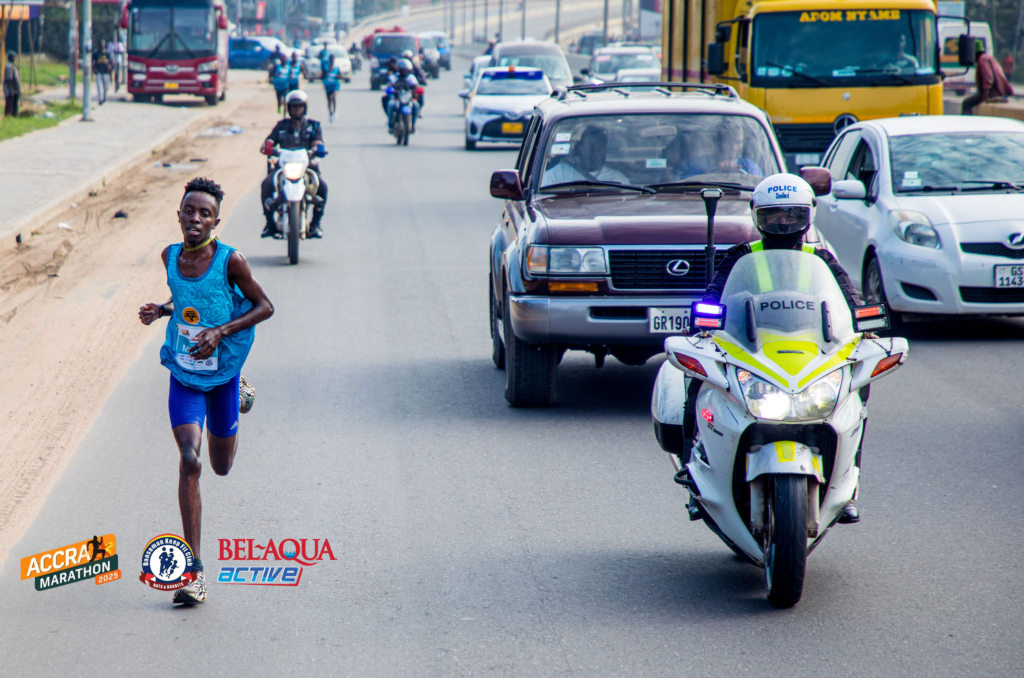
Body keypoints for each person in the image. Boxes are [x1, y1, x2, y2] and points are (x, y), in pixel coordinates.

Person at [693, 173, 863, 524]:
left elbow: (850, 298)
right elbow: (715, 293)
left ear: (808, 215)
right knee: (698, 375)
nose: (783, 223)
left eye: (792, 215)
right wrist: (703, 321)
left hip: (811, 348)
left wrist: (863, 323)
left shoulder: (821, 258)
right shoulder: (742, 254)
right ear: (757, 217)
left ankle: (848, 481)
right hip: (751, 347)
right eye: (773, 215)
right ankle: (694, 464)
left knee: (854, 392)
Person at [138, 177, 275, 604]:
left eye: (205, 213)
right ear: (178, 215)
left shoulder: (232, 261)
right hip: (184, 372)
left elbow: (265, 307)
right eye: (189, 211)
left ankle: (238, 391)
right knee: (189, 460)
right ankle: (194, 573)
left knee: (221, 466)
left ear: (216, 221)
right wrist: (162, 310)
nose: (195, 218)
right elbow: (186, 300)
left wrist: (220, 332)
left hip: (223, 373)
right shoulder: (170, 256)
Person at [260, 90, 329, 239]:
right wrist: (267, 147)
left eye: (300, 106)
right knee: (266, 185)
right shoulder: (281, 126)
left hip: (307, 166)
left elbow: (318, 141)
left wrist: (317, 149)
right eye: (293, 106)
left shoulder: (314, 126)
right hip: (283, 166)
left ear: (305, 107)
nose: (297, 109)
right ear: (288, 108)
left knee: (323, 187)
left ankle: (316, 224)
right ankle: (270, 224)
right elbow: (269, 141)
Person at [542, 125, 631, 186]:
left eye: (599, 148)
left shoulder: (618, 180)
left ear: (605, 151)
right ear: (580, 149)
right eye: (591, 147)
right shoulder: (560, 173)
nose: (595, 152)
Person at [963, 39, 1014, 115]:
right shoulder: (988, 57)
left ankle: (967, 121)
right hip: (998, 92)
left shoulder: (982, 59)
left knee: (966, 103)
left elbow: (988, 77)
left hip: (993, 93)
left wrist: (985, 95)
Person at [386, 59, 421, 133]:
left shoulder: (411, 77)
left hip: (408, 98)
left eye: (406, 70)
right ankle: (391, 124)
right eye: (403, 70)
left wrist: (416, 90)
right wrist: (391, 89)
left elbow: (416, 86)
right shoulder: (394, 77)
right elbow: (389, 86)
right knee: (390, 104)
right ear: (400, 69)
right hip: (397, 98)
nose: (405, 71)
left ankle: (413, 124)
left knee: (416, 105)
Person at [322, 54, 341, 123]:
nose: (332, 60)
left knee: (333, 97)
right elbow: (322, 76)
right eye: (331, 59)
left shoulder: (336, 67)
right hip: (328, 86)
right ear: (329, 59)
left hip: (335, 85)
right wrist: (323, 83)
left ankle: (335, 112)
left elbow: (340, 75)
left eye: (333, 59)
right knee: (329, 100)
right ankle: (330, 114)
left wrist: (338, 76)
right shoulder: (326, 67)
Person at [3, 51, 20, 118]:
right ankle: (10, 115)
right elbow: (8, 79)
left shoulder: (13, 66)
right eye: (13, 57)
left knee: (14, 103)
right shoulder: (9, 67)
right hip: (11, 89)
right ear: (9, 58)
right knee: (10, 103)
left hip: (14, 89)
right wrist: (11, 90)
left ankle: (14, 115)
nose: (14, 58)